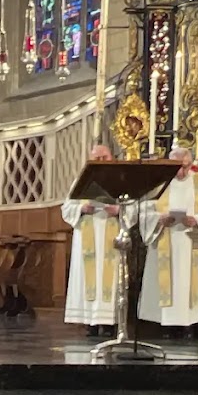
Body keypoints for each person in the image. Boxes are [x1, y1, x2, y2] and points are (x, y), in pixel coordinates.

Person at [139, 147, 198, 337]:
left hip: (191, 242)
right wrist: (159, 219)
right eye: (176, 167)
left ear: (191, 164)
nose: (181, 172)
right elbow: (143, 210)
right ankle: (166, 325)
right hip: (164, 239)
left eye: (185, 167)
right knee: (167, 283)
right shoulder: (158, 183)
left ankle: (190, 325)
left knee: (189, 284)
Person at [61, 144, 119, 337]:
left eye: (105, 157)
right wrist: (82, 209)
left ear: (112, 158)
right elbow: (67, 208)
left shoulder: (121, 179)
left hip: (111, 234)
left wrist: (119, 211)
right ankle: (90, 323)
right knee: (89, 278)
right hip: (88, 232)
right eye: (97, 158)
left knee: (110, 277)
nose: (102, 162)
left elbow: (134, 206)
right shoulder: (82, 181)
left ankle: (109, 322)